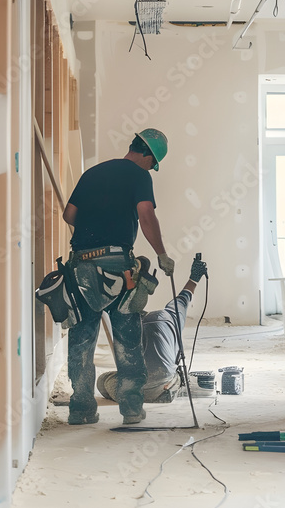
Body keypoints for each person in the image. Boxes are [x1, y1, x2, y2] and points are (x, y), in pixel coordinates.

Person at [62, 128, 175, 426]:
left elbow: (68, 215)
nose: (152, 169)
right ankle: (131, 408)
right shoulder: (140, 176)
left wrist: (95, 223)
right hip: (118, 267)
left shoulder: (92, 173)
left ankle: (81, 408)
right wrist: (161, 253)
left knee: (82, 337)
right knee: (127, 338)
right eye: (153, 163)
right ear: (148, 155)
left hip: (81, 266)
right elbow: (146, 214)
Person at [97, 257, 208, 404]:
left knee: (102, 381)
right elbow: (185, 295)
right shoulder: (172, 315)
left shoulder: (133, 323)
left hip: (131, 388)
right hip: (162, 385)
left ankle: (134, 396)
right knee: (177, 374)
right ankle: (167, 390)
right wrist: (194, 277)